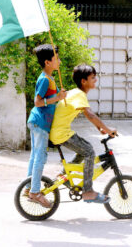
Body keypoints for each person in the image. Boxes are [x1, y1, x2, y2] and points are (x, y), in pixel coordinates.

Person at [50, 64, 117, 204]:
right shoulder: (79, 94)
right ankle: (88, 191)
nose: (96, 80)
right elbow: (90, 114)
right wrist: (108, 129)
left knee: (84, 149)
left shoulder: (76, 93)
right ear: (83, 81)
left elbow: (89, 115)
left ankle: (64, 176)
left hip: (60, 132)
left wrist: (100, 128)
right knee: (89, 152)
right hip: (61, 134)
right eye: (93, 77)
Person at [25, 44, 66, 208]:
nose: (59, 61)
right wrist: (57, 98)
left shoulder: (49, 77)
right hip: (40, 122)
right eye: (56, 58)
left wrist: (58, 96)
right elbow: (38, 102)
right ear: (48, 62)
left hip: (38, 122)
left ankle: (28, 187)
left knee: (35, 156)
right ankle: (35, 192)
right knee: (39, 158)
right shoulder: (44, 79)